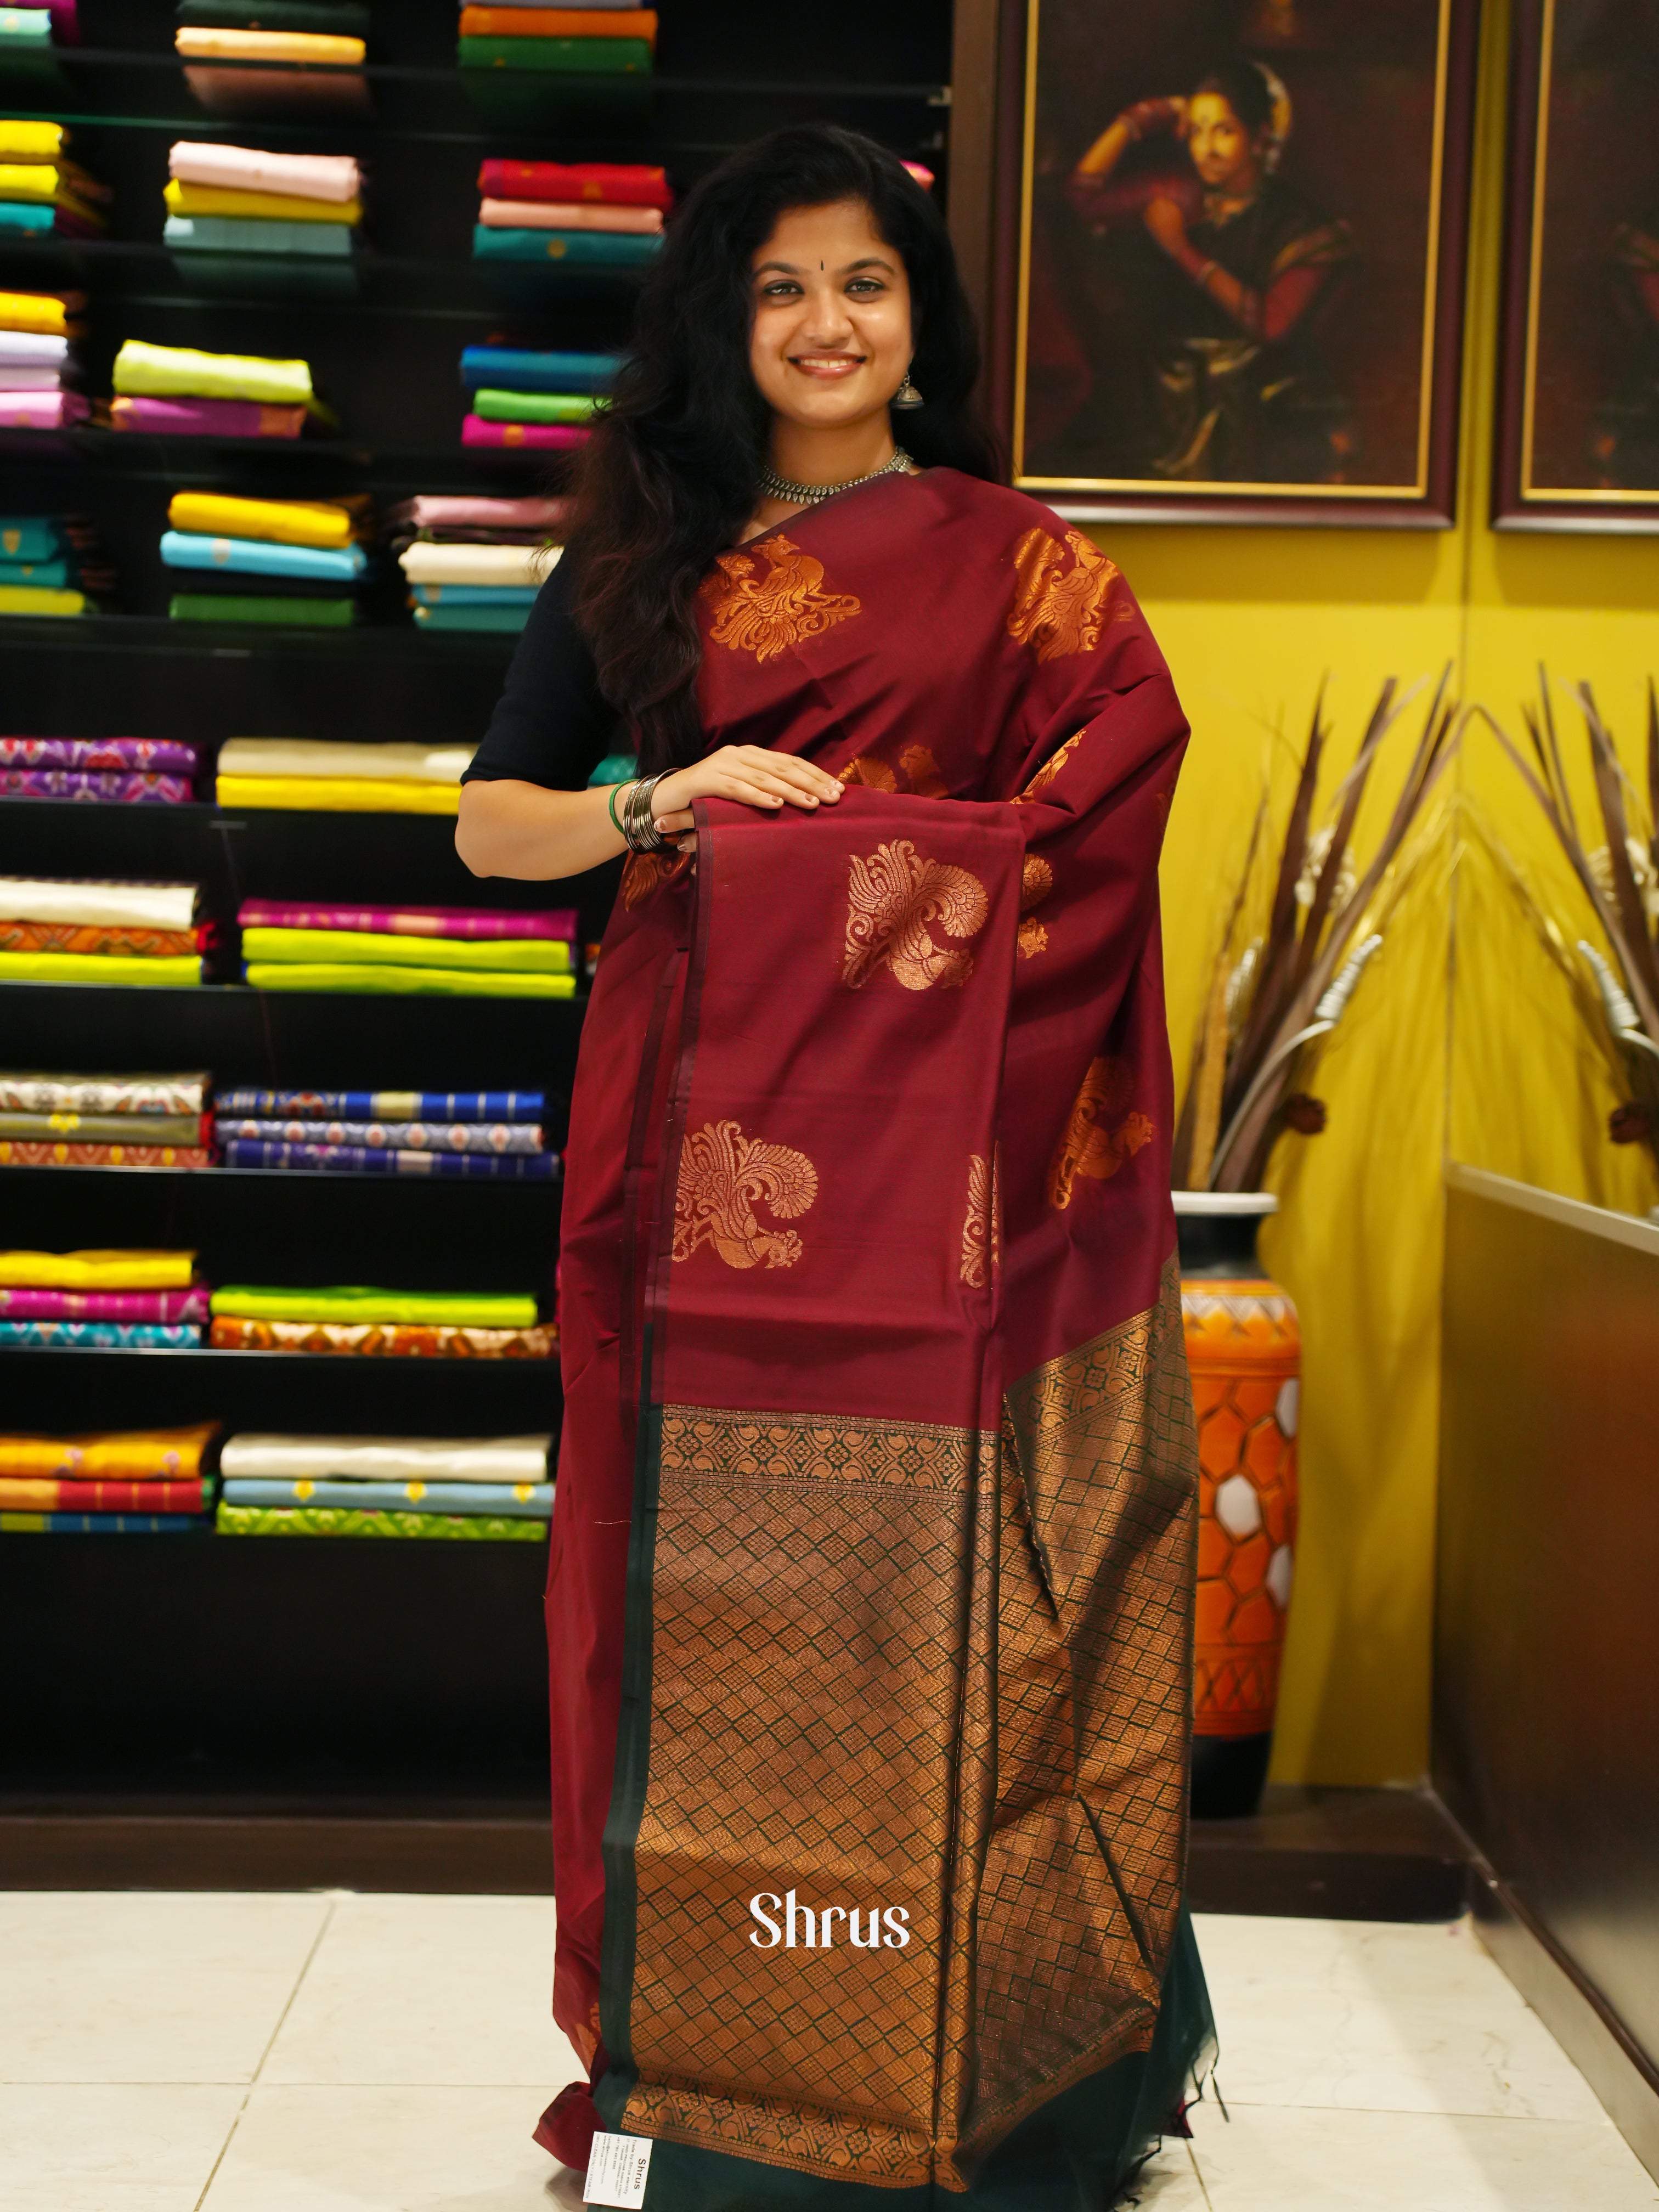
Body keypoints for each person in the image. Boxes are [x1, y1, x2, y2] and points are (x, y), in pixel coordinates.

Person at [456, 121, 1213, 2210]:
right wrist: (667, 799)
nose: (821, 323)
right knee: (691, 1587)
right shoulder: (634, 558)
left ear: (915, 317)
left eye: (860, 282)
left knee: (961, 1593)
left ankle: (1024, 2075)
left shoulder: (1015, 560)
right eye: (777, 287)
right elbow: (485, 826)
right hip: (684, 1142)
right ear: (723, 322)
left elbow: (1102, 802)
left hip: (952, 1167)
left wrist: (883, 869)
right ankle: (719, 2082)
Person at [1068, 58, 1355, 482]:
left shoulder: (1302, 225)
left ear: (1259, 139)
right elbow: (1081, 197)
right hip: (1164, 402)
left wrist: (1182, 250)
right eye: (1198, 132)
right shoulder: (1179, 194)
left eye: (1224, 131)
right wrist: (1139, 120)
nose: (1207, 148)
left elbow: (1271, 324)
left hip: (1256, 410)